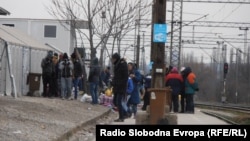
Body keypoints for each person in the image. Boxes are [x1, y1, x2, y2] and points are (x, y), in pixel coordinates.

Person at [111, 53, 128, 122]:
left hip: (121, 87)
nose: (112, 60)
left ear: (116, 59)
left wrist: (121, 84)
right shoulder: (117, 65)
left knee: (118, 102)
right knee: (115, 101)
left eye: (113, 59)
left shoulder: (122, 64)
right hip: (117, 86)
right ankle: (125, 113)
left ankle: (122, 116)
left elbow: (125, 77)